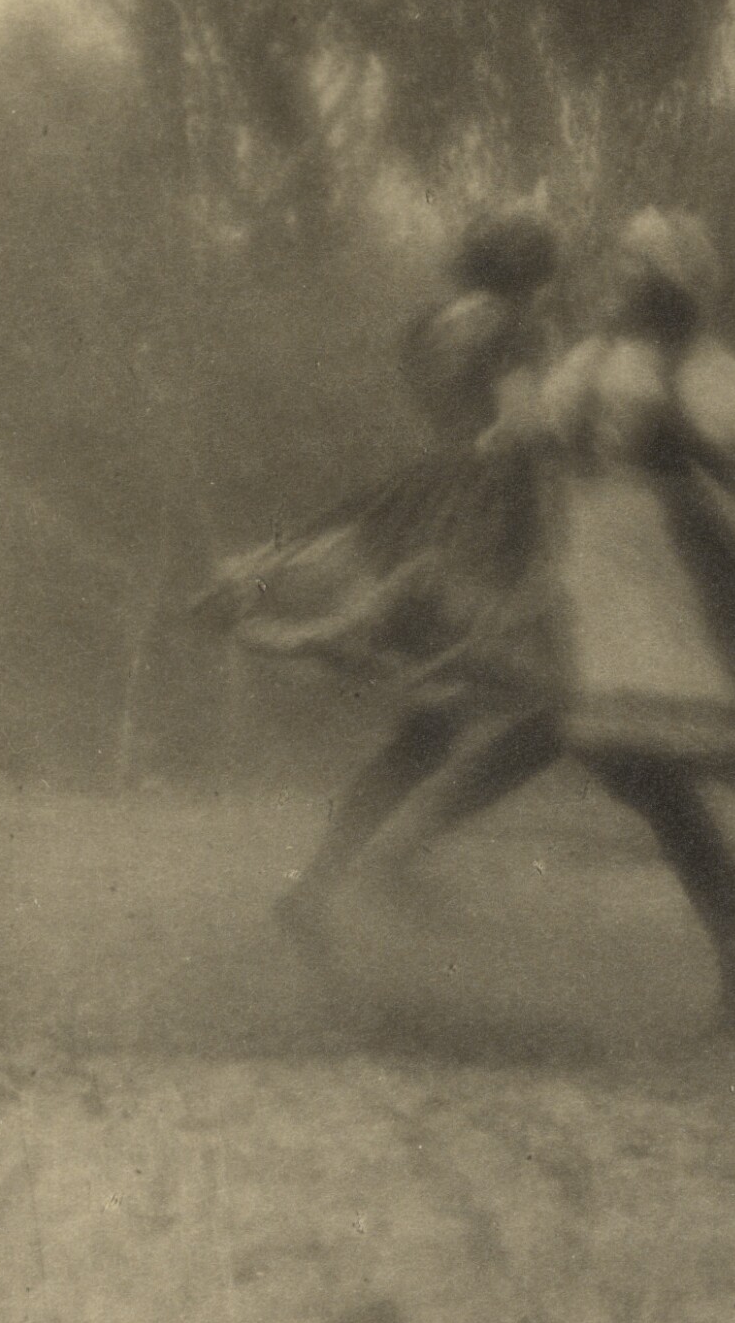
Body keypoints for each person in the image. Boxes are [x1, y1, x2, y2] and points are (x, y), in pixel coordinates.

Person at [351, 207, 735, 1025]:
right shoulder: (593, 356)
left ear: (673, 282)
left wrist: (699, 438)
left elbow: (733, 459)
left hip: (661, 575)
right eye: (621, 265)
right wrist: (513, 445)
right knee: (622, 757)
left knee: (618, 751)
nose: (620, 279)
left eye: (640, 268)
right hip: (588, 561)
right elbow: (543, 433)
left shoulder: (700, 368)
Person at [195, 203, 566, 934]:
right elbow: (523, 426)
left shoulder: (434, 324)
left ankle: (320, 881)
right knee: (544, 697)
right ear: (534, 273)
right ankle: (386, 859)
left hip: (426, 499)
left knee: (428, 724)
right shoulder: (520, 328)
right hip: (493, 520)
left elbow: (446, 407)